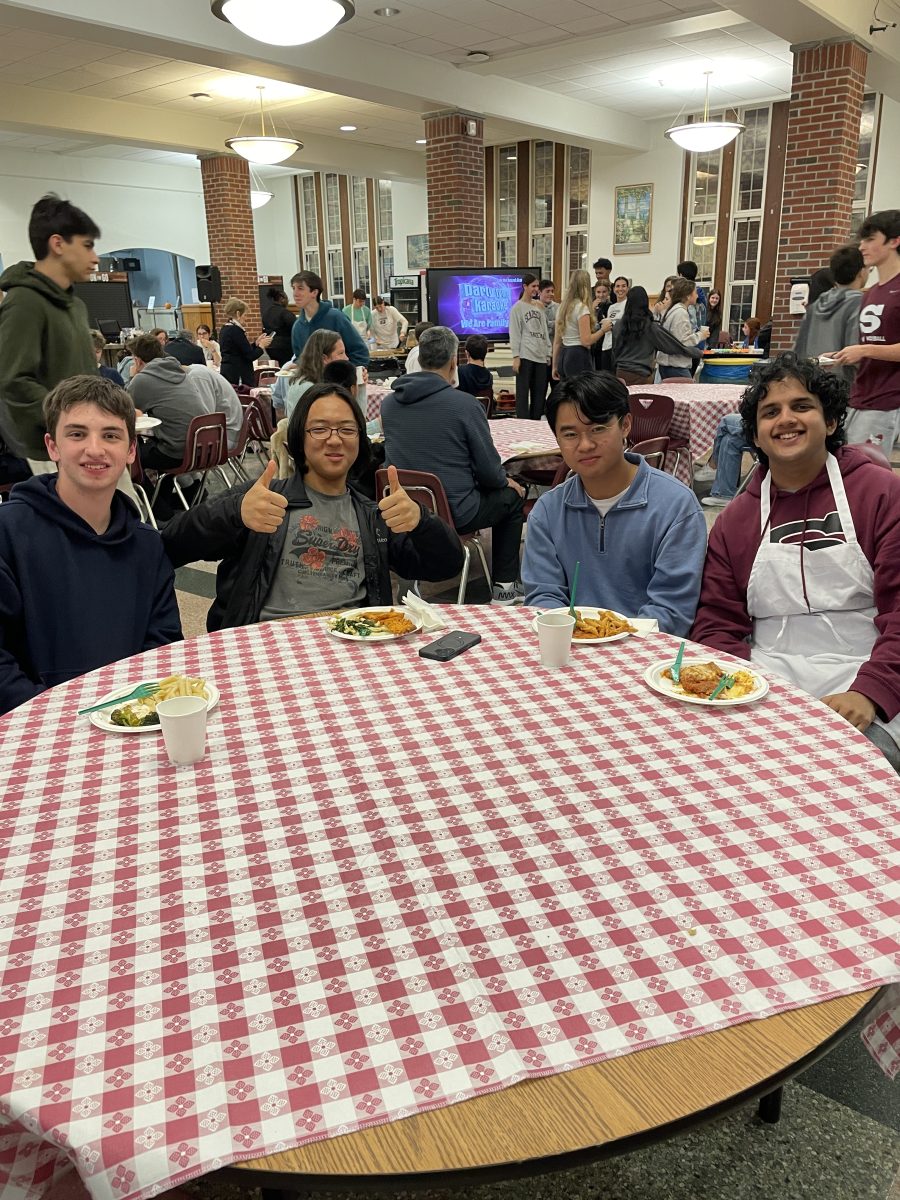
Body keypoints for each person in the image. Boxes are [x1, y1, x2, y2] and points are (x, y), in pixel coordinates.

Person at [691, 353, 900, 772]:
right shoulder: (736, 519)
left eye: (802, 406)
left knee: (857, 771)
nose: (786, 419)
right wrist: (736, 685)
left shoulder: (881, 494)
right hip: (764, 678)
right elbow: (717, 619)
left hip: (870, 674)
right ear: (756, 434)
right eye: (771, 412)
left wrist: (870, 692)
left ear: (832, 421)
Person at [161, 382, 463, 629]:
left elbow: (446, 566)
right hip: (267, 644)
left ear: (360, 440)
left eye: (347, 429)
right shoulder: (263, 501)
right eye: (319, 429)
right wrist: (234, 512)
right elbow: (172, 544)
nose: (334, 440)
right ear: (298, 439)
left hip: (352, 641)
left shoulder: (372, 516)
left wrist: (422, 521)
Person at [0, 374, 181, 715]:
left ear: (130, 451)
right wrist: (60, 715)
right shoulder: (8, 534)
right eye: (77, 434)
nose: (94, 449)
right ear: (53, 446)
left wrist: (128, 712)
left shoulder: (146, 546)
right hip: (34, 725)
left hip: (128, 720)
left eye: (110, 435)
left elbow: (163, 644)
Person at [522, 372, 707, 635]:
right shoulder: (548, 512)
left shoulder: (676, 507)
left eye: (598, 429)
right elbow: (543, 597)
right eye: (570, 434)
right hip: (571, 649)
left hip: (647, 655)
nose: (585, 445)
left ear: (626, 425)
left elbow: (671, 609)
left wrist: (612, 640)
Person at [381, 326, 526, 604]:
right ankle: (505, 587)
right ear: (453, 362)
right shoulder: (465, 405)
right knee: (511, 499)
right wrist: (504, 480)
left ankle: (409, 590)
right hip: (458, 513)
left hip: (404, 510)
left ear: (420, 359)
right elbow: (488, 470)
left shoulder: (389, 405)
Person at [0, 194, 99, 470]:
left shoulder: (75, 306)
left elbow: (86, 377)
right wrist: (73, 418)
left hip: (85, 443)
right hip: (47, 452)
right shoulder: (24, 302)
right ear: (57, 244)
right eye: (87, 246)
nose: (95, 258)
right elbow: (13, 381)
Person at [831, 209, 900, 448]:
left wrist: (864, 350)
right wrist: (844, 355)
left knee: (868, 476)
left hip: (886, 399)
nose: (862, 246)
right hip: (860, 395)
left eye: (870, 239)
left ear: (894, 241)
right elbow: (875, 343)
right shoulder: (871, 293)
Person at [126, 334, 209, 510]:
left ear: (137, 360)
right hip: (204, 447)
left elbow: (123, 411)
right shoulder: (179, 371)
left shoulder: (143, 379)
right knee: (158, 443)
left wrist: (133, 377)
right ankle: (182, 496)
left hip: (177, 452)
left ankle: (157, 509)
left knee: (127, 454)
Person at [794, 244, 866, 384]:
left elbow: (798, 352)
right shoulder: (859, 304)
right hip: (845, 388)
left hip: (813, 384)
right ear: (861, 272)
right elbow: (857, 354)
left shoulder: (814, 307)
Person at [611, 286, 698, 385]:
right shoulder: (649, 327)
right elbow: (671, 346)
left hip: (621, 374)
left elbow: (615, 350)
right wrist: (697, 353)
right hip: (642, 375)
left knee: (625, 400)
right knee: (642, 401)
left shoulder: (618, 325)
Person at [290, 271, 369, 368]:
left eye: (300, 288)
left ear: (314, 292)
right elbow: (299, 358)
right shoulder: (297, 326)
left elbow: (360, 353)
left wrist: (348, 374)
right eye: (293, 288)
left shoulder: (336, 317)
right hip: (311, 382)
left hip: (339, 381)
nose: (295, 294)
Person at [552, 270, 608, 381]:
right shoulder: (581, 308)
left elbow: (557, 341)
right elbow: (586, 340)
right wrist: (603, 330)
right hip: (577, 355)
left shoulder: (562, 308)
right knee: (581, 394)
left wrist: (554, 365)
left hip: (564, 354)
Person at [509, 273, 551, 420]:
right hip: (525, 354)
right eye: (533, 286)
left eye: (537, 286)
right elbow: (514, 332)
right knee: (522, 393)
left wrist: (548, 352)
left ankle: (536, 422)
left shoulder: (539, 307)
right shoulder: (517, 308)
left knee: (539, 393)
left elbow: (544, 330)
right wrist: (516, 356)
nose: (535, 289)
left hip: (540, 355)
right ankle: (523, 423)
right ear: (525, 287)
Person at [284, 330, 349, 419]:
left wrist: (359, 386)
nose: (346, 358)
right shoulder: (307, 388)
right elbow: (341, 426)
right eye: (341, 353)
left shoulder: (322, 380)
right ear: (324, 359)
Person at [655, 277, 707, 380]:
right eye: (695, 292)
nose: (697, 295)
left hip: (668, 364)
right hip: (676, 365)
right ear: (688, 296)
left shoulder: (673, 310)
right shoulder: (681, 312)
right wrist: (701, 335)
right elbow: (683, 341)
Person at [184, 363, 244, 450]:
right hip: (228, 431)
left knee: (173, 447)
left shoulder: (196, 376)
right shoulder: (197, 370)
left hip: (226, 437)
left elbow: (206, 416)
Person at [219, 299, 272, 387]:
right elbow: (250, 356)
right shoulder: (235, 330)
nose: (246, 318)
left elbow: (241, 350)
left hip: (229, 371)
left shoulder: (225, 328)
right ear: (238, 314)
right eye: (245, 315)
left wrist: (256, 343)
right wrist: (261, 346)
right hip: (238, 373)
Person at [261, 287, 296, 368]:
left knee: (278, 367)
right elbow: (295, 328)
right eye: (287, 299)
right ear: (282, 299)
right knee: (287, 367)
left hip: (270, 346)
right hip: (285, 346)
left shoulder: (266, 312)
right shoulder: (285, 313)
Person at [600, 276, 629, 369]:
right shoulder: (611, 307)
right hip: (606, 346)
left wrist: (613, 325)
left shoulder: (629, 304)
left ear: (628, 288)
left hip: (620, 348)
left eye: (623, 286)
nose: (620, 289)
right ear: (613, 289)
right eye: (617, 286)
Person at [538, 280, 558, 346]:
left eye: (552, 291)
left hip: (554, 347)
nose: (551, 294)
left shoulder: (559, 308)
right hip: (538, 348)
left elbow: (561, 326)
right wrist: (554, 323)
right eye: (547, 291)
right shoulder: (534, 308)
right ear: (539, 292)